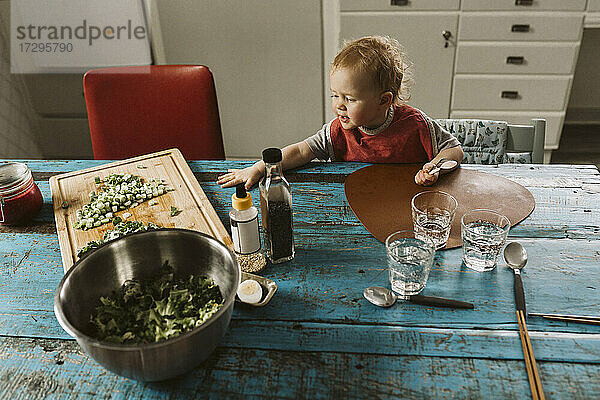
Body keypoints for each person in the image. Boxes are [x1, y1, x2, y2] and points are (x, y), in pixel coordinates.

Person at [218, 35, 463, 189]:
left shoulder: (416, 124)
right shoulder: (336, 132)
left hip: (411, 203)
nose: (339, 105)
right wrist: (260, 168)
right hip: (353, 208)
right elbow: (302, 151)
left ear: (384, 100)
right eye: (335, 95)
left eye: (350, 98)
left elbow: (455, 150)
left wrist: (434, 167)